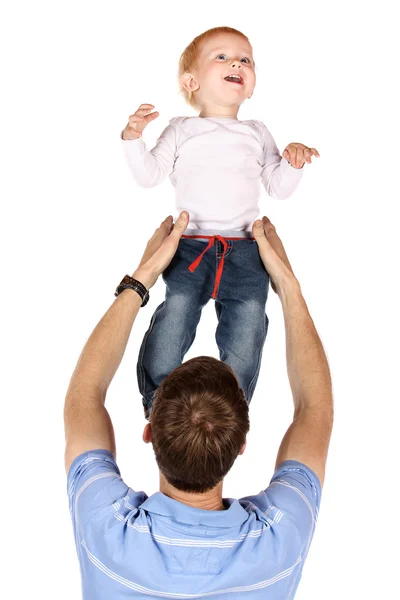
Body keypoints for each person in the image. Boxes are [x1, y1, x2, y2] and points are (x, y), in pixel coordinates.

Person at [64, 211, 333, 599]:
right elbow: (316, 408)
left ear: (149, 432)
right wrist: (288, 286)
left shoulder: (105, 528)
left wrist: (143, 276)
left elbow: (83, 394)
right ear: (241, 445)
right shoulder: (280, 539)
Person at [121, 26, 320, 419]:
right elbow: (149, 176)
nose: (237, 63)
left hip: (246, 251)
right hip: (191, 245)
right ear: (191, 82)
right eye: (223, 57)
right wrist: (133, 139)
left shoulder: (257, 132)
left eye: (245, 59)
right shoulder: (180, 128)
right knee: (175, 315)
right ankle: (157, 402)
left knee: (248, 326)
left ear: (250, 86)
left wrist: (294, 162)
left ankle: (234, 408)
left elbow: (278, 188)